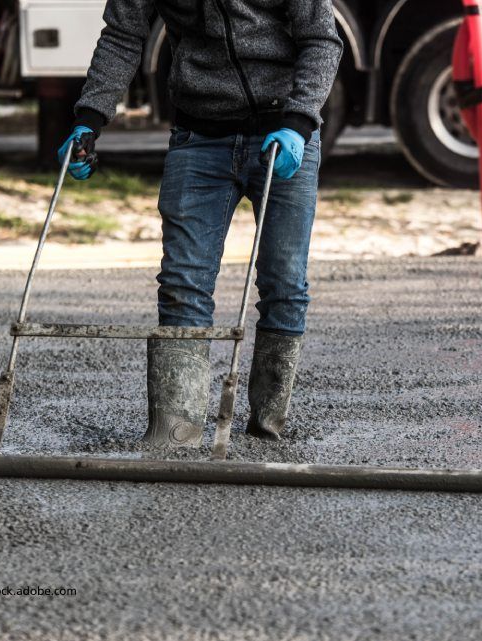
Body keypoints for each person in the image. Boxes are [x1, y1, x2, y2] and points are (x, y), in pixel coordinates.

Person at [58, 0, 342, 450]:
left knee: (283, 281)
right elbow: (123, 34)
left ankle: (268, 428)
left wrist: (299, 120)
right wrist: (89, 118)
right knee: (182, 282)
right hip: (199, 136)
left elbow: (321, 38)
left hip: (283, 133)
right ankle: (176, 430)